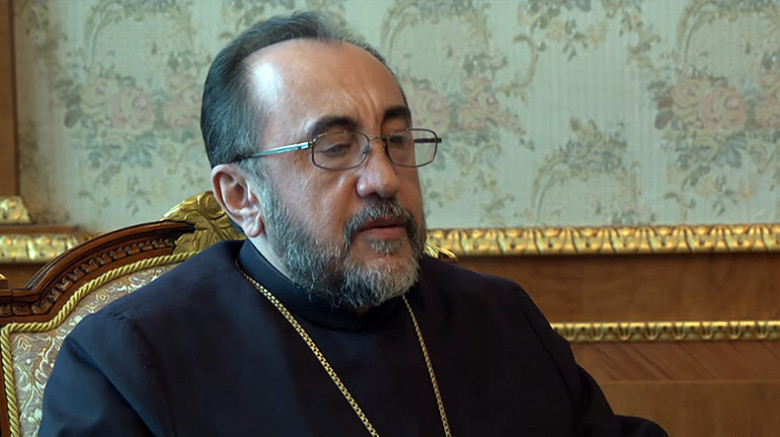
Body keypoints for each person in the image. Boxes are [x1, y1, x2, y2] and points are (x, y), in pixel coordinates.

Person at [39, 11, 666, 437]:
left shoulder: (501, 318)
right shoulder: (127, 362)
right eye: (335, 147)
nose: (385, 178)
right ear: (242, 195)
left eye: (397, 140)